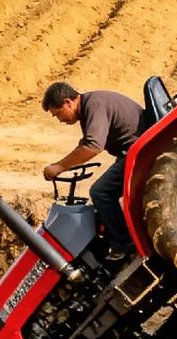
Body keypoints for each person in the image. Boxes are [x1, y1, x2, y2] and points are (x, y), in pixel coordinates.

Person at [41, 81, 145, 260]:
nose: (60, 120)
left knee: (100, 192)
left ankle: (124, 244)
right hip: (133, 150)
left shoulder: (94, 105)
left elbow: (92, 146)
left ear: (68, 102)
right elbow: (86, 144)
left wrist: (58, 167)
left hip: (138, 151)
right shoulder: (91, 104)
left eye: (58, 114)